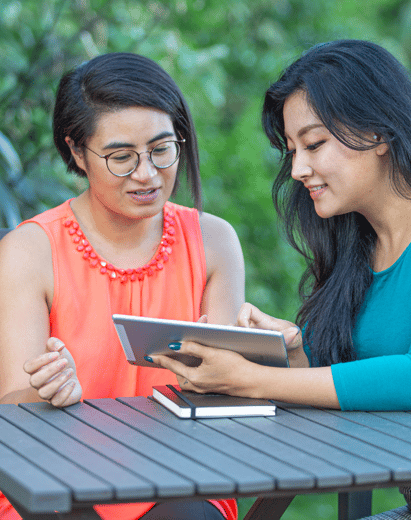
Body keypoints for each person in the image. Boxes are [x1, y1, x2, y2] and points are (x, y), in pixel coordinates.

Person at [148, 40, 411, 519]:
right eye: (292, 150)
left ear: (379, 132)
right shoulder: (360, 243)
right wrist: (287, 350)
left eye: (315, 144)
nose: (298, 169)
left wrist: (254, 380)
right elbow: (349, 373)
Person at [0, 53, 244, 520]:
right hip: (55, 476)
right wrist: (49, 390)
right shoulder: (29, 251)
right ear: (76, 152)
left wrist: (233, 367)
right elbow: (13, 408)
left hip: (180, 480)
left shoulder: (214, 242)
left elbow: (229, 399)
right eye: (121, 157)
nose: (147, 174)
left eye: (161, 149)